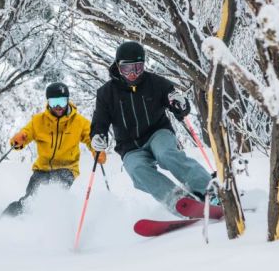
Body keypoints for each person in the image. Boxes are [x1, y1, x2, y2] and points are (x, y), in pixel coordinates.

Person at [90, 41, 211, 216]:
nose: (132, 74)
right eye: (127, 69)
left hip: (157, 133)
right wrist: (98, 136)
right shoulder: (106, 93)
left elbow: (177, 105)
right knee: (137, 170)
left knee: (165, 154)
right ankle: (180, 203)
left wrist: (180, 104)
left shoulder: (156, 83)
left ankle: (208, 190)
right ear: (118, 66)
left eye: (138, 68)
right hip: (129, 145)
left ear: (143, 65)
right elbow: (99, 122)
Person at [2, 82, 106, 217]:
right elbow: (26, 133)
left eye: (62, 102)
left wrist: (97, 150)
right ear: (48, 102)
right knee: (30, 199)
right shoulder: (38, 121)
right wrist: (18, 140)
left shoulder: (79, 122)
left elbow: (90, 137)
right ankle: (6, 218)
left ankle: (52, 223)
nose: (58, 107)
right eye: (54, 102)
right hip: (42, 168)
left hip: (67, 168)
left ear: (68, 101)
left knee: (54, 194)